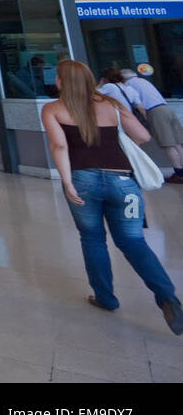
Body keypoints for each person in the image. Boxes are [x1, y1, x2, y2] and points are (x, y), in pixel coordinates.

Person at [42, 60, 183, 333]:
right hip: (123, 181)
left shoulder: (53, 108)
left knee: (93, 239)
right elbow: (142, 136)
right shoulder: (111, 104)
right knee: (133, 241)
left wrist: (67, 183)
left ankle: (105, 297)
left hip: (83, 179)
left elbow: (59, 145)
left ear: (62, 82)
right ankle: (168, 298)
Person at [120, 68, 183, 184]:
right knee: (178, 144)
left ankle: (179, 174)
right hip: (167, 108)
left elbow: (139, 106)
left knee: (168, 145)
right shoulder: (144, 81)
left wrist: (146, 120)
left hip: (155, 112)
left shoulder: (129, 85)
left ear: (123, 78)